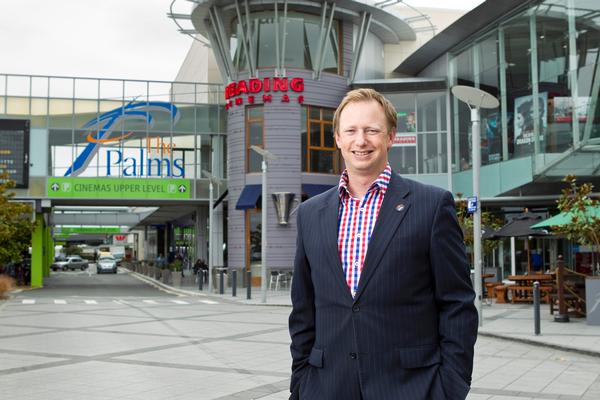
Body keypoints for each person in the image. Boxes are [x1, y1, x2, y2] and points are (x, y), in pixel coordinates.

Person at [288, 88, 478, 400]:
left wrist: (450, 388)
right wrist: (301, 382)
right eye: (350, 130)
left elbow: (457, 304)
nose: (360, 141)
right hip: (326, 388)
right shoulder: (310, 214)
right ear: (337, 138)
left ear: (390, 137)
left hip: (411, 389)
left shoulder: (431, 206)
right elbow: (303, 309)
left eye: (371, 130)